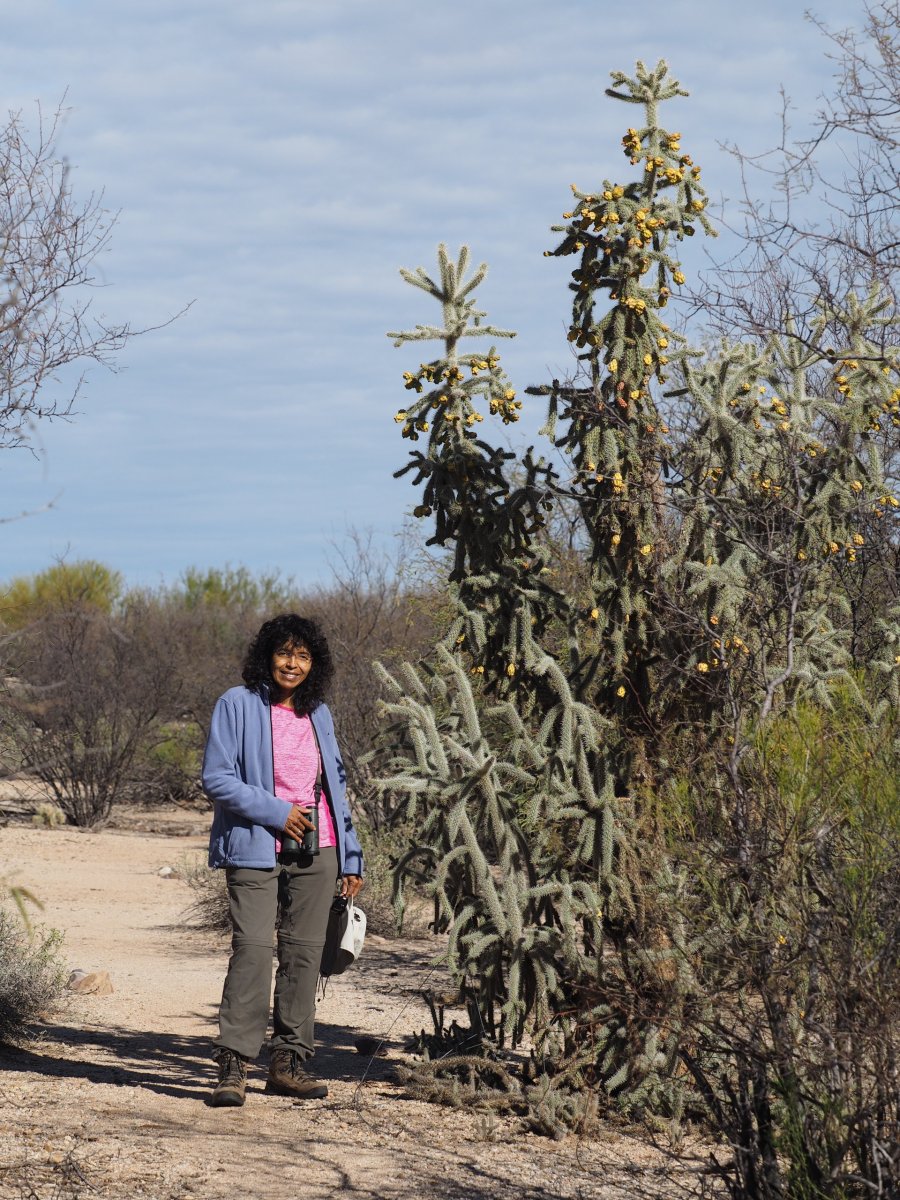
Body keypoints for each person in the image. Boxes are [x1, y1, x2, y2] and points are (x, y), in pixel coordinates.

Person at [202, 613, 364, 1107]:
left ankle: (288, 1063)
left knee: (304, 954)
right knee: (252, 949)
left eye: (303, 656)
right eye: (284, 653)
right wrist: (278, 812)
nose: (292, 664)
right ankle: (234, 1064)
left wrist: (351, 855)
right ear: (267, 656)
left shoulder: (319, 713)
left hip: (321, 846)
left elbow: (335, 787)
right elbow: (217, 778)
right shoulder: (237, 703)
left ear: (314, 664)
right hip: (255, 842)